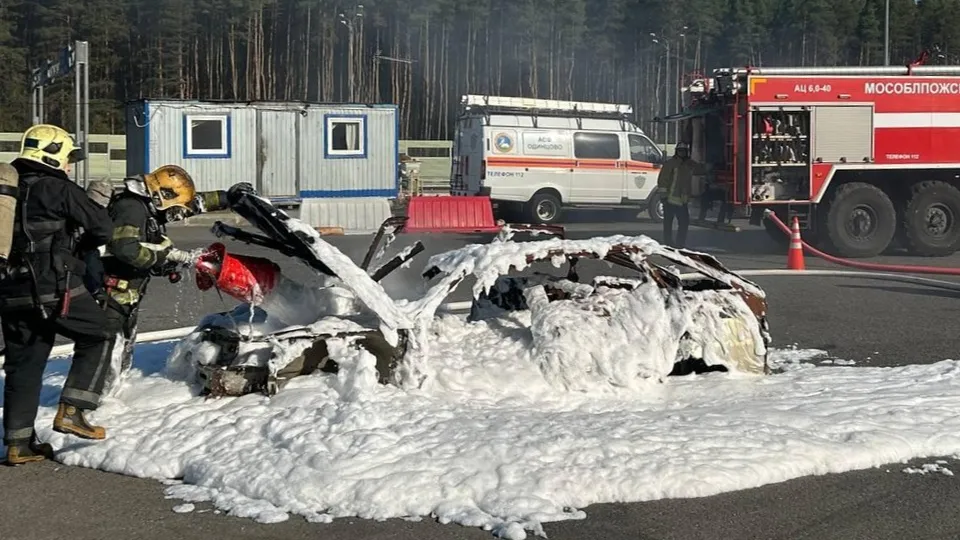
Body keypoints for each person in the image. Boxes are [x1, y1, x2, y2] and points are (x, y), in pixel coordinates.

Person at [0, 124, 117, 465]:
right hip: (52, 287)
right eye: (68, 158)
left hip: (8, 290)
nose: (69, 166)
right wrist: (78, 246)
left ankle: (19, 445)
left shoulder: (7, 187)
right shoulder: (57, 187)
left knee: (25, 363)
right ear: (52, 155)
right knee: (101, 333)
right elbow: (102, 228)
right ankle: (74, 409)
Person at [98, 165, 232, 394]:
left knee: (123, 344)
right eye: (173, 206)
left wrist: (227, 197)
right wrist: (162, 259)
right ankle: (95, 398)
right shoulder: (131, 209)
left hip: (127, 290)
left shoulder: (146, 206)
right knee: (108, 345)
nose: (177, 214)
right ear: (162, 195)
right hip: (113, 289)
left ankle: (111, 392)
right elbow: (126, 249)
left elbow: (190, 205)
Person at [656, 141, 709, 248]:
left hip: (682, 200)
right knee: (668, 223)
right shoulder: (670, 164)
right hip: (669, 199)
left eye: (684, 151)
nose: (682, 153)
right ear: (676, 151)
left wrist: (710, 166)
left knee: (684, 223)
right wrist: (663, 197)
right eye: (680, 151)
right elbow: (662, 181)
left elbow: (700, 170)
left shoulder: (689, 164)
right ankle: (668, 243)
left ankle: (680, 244)